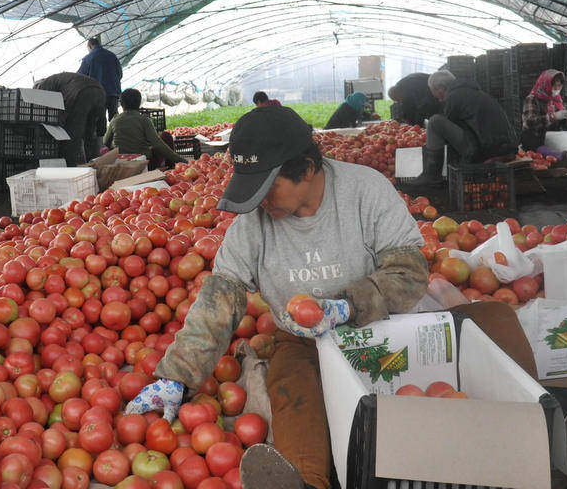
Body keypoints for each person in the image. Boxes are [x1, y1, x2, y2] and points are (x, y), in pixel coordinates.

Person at [124, 105, 430, 489]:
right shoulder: (253, 223)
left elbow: (411, 273)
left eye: (268, 188)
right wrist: (178, 375)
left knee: (401, 409)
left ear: (305, 169)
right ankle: (306, 481)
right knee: (293, 399)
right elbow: (221, 299)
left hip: (379, 331)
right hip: (304, 340)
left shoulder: (365, 191)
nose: (260, 202)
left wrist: (350, 305)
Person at [409, 70, 518, 187]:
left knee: (435, 122)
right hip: (506, 149)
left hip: (486, 151)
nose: (436, 98)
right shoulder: (473, 93)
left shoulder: (454, 97)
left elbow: (448, 135)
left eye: (433, 92)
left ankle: (431, 175)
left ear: (440, 88)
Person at [35, 71, 107, 166]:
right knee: (90, 135)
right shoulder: (60, 80)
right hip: (99, 91)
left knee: (71, 136)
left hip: (80, 93)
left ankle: (71, 168)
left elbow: (45, 111)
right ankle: (94, 166)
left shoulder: (43, 86)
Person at [104, 88, 186, 169]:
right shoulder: (144, 120)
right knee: (166, 136)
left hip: (121, 164)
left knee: (104, 151)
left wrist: (118, 147)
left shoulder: (115, 120)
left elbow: (106, 142)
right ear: (139, 103)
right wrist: (181, 160)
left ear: (121, 104)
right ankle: (172, 167)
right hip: (144, 164)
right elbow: (157, 143)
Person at [521, 69, 567, 155]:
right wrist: (552, 117)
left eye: (559, 85)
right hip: (534, 141)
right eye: (553, 86)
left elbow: (561, 122)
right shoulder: (532, 98)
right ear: (545, 84)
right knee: (547, 156)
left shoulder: (556, 100)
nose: (556, 89)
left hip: (551, 140)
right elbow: (530, 122)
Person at [78, 36, 123, 134]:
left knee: (100, 120)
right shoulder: (112, 56)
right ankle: (117, 140)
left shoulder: (88, 58)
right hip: (113, 93)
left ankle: (102, 145)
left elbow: (80, 77)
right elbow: (120, 74)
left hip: (98, 94)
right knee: (114, 118)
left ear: (90, 46)